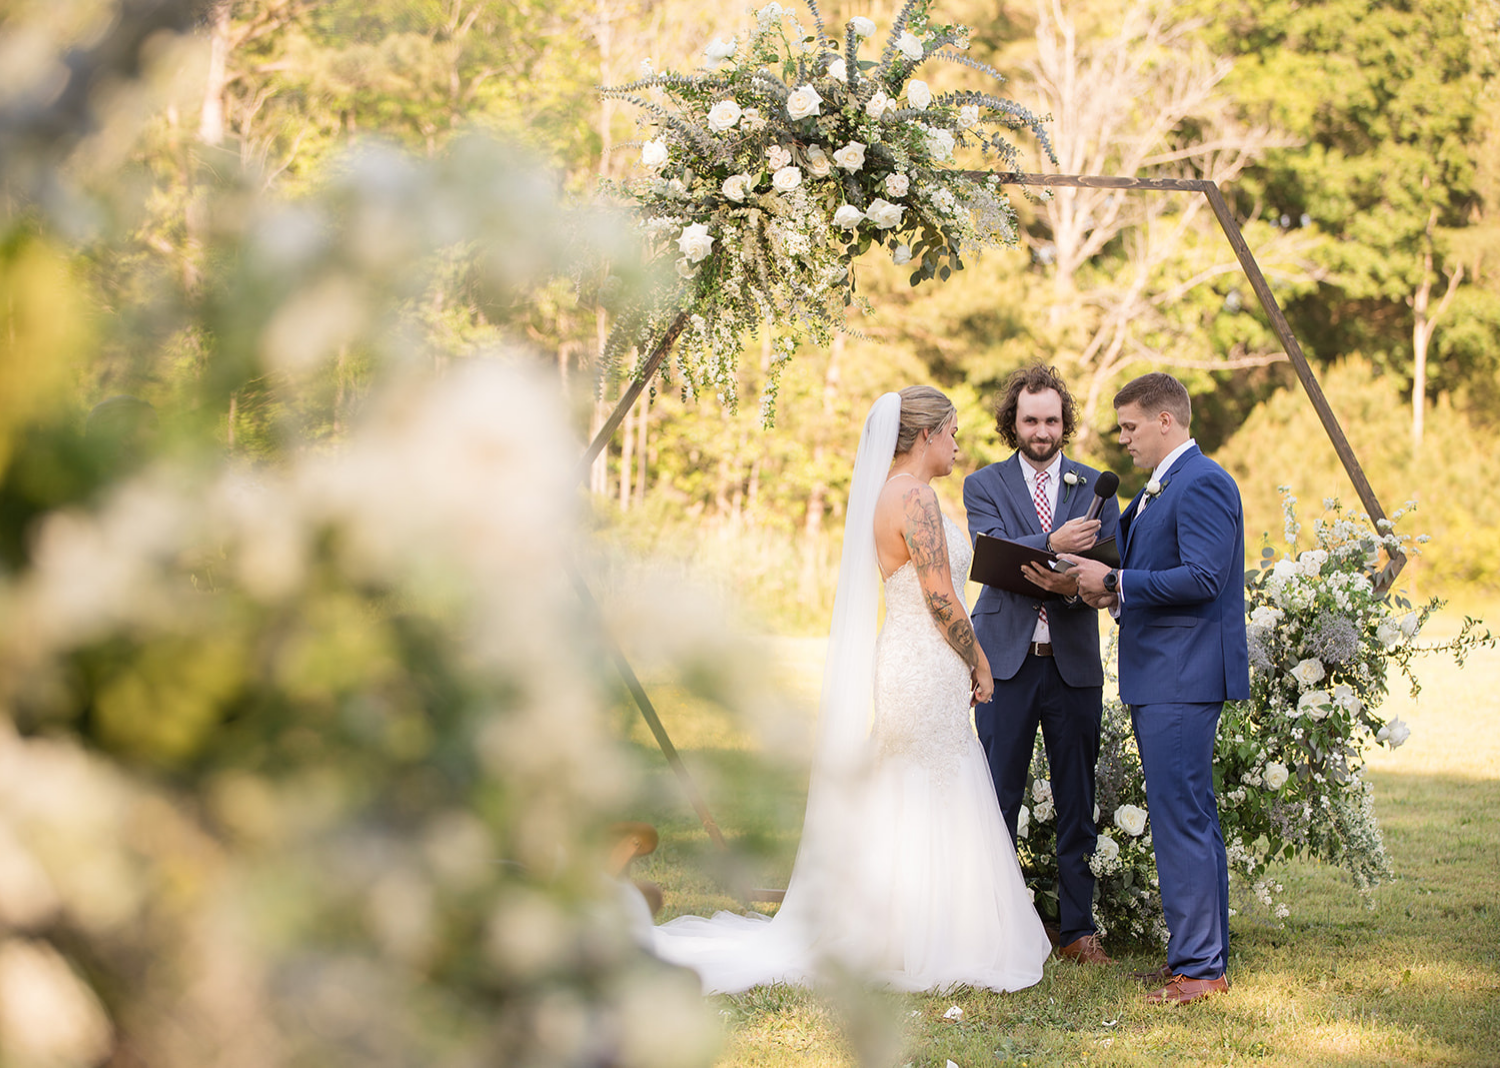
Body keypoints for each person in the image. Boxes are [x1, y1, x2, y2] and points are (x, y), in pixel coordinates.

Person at [650, 387, 1052, 993]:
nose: (957, 445)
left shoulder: (888, 493)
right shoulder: (914, 496)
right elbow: (941, 597)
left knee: (911, 780)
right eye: (951, 432)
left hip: (912, 657)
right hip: (925, 657)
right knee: (925, 778)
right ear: (925, 435)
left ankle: (898, 927)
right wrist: (980, 660)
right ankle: (922, 934)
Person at [1062, 372, 1250, 1006]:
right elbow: (1154, 571)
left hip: (1183, 675)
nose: (1122, 439)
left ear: (1166, 421)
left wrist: (1117, 585)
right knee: (1188, 815)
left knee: (1182, 819)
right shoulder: (1158, 488)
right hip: (1162, 672)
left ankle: (1199, 971)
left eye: (1130, 427)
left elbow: (1202, 576)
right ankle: (1196, 959)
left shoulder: (1203, 482)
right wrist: (1100, 582)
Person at [964, 365, 1120, 967]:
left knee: (1077, 800)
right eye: (1030, 419)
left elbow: (1106, 567)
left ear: (1064, 423)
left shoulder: (1094, 487)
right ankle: (996, 926)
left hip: (1073, 662)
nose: (1041, 430)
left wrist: (1074, 582)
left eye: (1052, 420)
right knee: (997, 795)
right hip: (1005, 663)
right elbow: (993, 557)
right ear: (1013, 422)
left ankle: (1078, 932)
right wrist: (1058, 543)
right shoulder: (983, 484)